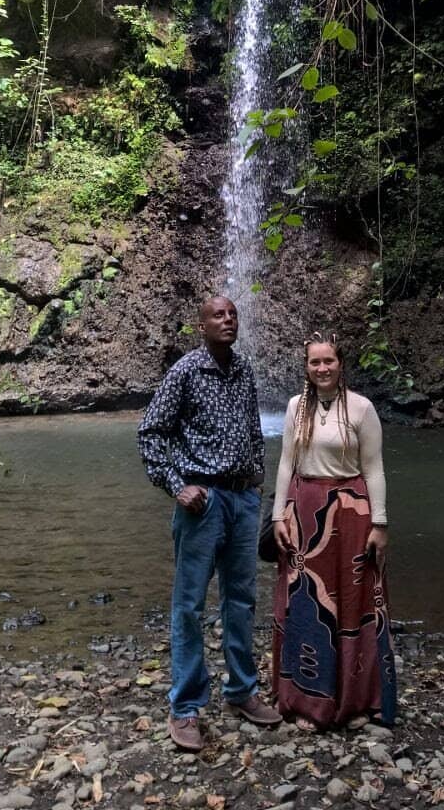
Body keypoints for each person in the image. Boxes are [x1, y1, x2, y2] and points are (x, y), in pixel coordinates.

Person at [138, 295, 281, 751]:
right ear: (201, 325)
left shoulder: (244, 371)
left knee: (241, 600)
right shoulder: (184, 371)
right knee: (190, 605)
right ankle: (185, 708)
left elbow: (254, 432)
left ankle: (242, 690)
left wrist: (257, 483)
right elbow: (150, 432)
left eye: (233, 314)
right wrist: (176, 485)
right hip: (201, 502)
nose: (228, 320)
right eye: (218, 315)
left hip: (242, 499)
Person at [271, 332, 396, 730]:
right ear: (306, 368)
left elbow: (373, 468)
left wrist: (380, 522)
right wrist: (278, 515)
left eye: (329, 361)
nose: (322, 368)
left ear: (341, 364)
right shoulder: (296, 408)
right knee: (306, 606)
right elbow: (286, 463)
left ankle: (359, 701)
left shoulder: (362, 408)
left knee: (354, 606)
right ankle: (305, 701)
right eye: (314, 363)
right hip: (305, 511)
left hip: (351, 513)